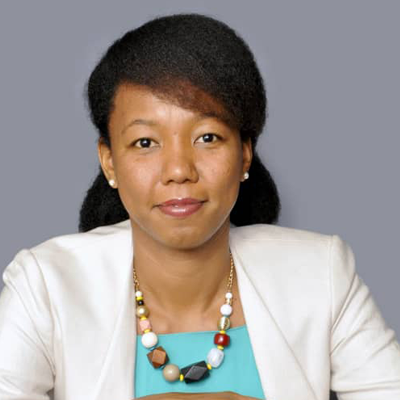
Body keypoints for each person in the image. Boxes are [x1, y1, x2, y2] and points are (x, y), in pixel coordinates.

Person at [0, 12, 399, 400]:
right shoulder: (45, 286)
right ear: (109, 162)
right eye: (145, 143)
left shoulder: (321, 274)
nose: (178, 170)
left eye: (207, 137)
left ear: (245, 154)